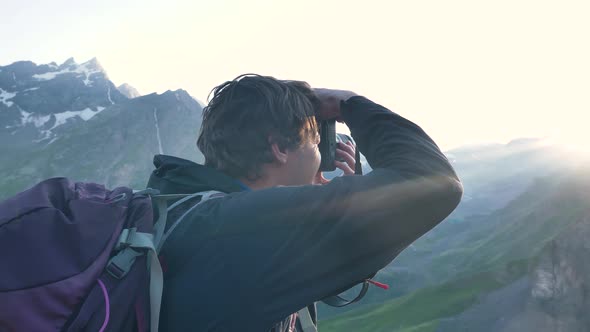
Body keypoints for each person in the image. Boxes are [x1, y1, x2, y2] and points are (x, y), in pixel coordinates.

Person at [146, 74, 463, 331]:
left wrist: (346, 191)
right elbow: (434, 181)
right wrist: (347, 103)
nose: (321, 156)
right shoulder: (253, 231)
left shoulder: (187, 209)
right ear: (279, 148)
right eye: (315, 142)